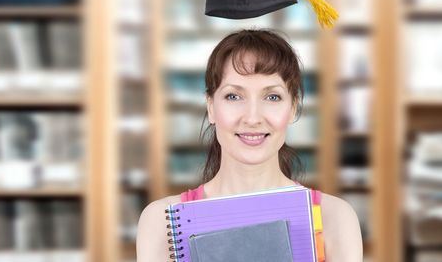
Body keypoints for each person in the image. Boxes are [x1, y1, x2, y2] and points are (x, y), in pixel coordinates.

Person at [137, 29, 363, 261]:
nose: (253, 118)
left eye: (272, 97)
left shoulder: (335, 218)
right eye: (234, 96)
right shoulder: (162, 223)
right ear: (211, 107)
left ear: (293, 107)